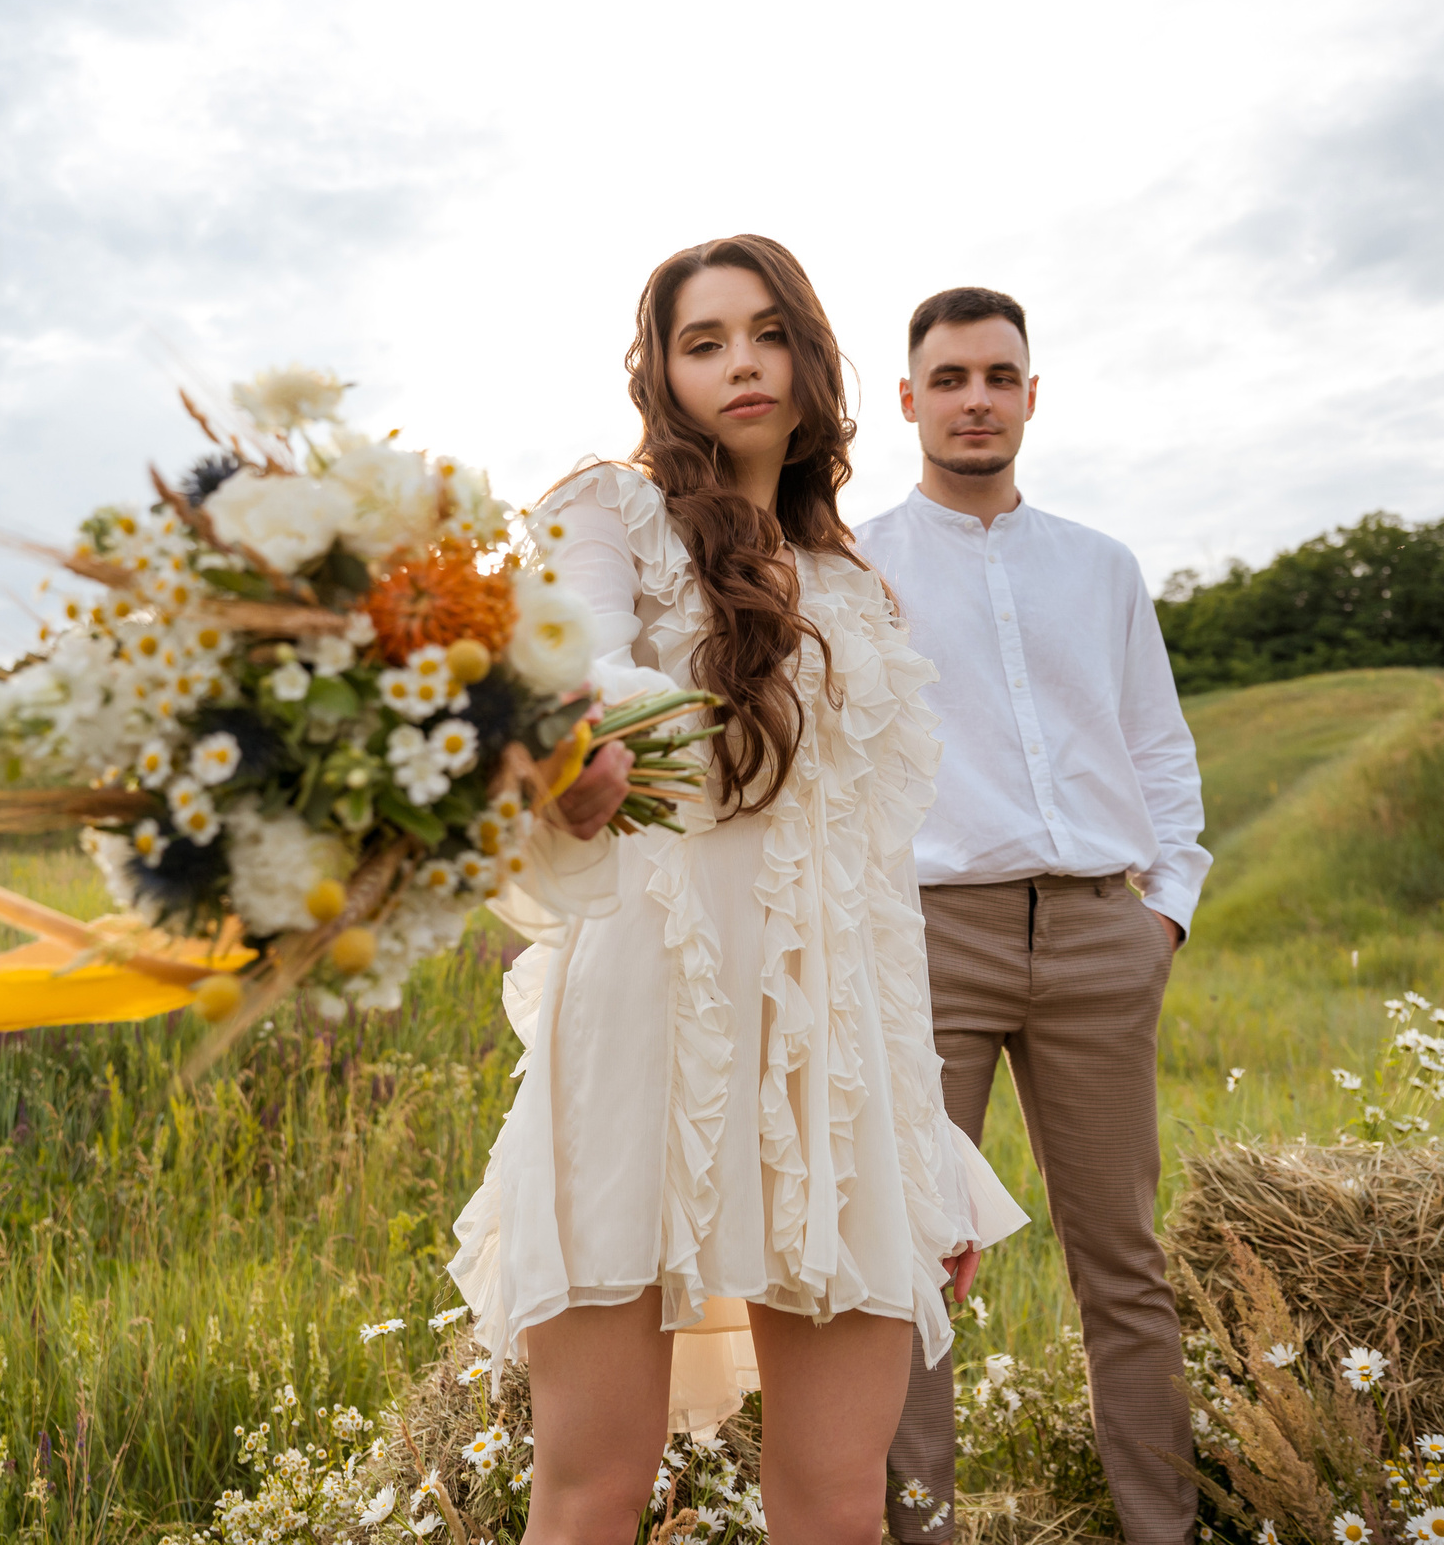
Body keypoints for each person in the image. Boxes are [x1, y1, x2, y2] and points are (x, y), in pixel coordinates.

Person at [450, 237, 1028, 1545]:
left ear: (813, 361)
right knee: (595, 1487)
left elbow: (875, 890)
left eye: (765, 334)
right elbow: (573, 658)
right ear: (658, 371)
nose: (740, 364)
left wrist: (925, 1150)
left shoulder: (860, 587)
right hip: (652, 1030)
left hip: (839, 1074)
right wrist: (586, 744)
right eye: (702, 342)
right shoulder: (608, 511)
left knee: (836, 1503)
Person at [857, 287, 1211, 1545]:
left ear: (1030, 394)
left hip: (1097, 936)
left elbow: (1158, 752)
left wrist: (1161, 913)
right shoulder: (853, 566)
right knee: (908, 1266)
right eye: (948, 378)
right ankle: (920, 1530)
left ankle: (1156, 1530)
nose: (974, 400)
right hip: (926, 946)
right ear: (907, 400)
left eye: (998, 376)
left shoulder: (1100, 566)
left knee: (1123, 1263)